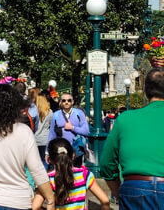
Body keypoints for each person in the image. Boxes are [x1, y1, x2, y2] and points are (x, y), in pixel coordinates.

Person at [98, 67, 164, 209]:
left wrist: (118, 192)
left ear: (146, 91)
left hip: (135, 188)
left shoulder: (125, 119)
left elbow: (106, 164)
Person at [36, 137, 110, 210]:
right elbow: (105, 200)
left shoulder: (48, 180)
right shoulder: (85, 175)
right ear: (73, 155)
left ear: (50, 160)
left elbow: (35, 206)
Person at [49, 92, 89, 167]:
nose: (66, 102)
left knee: (76, 174)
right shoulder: (56, 115)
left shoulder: (79, 113)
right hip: (61, 150)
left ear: (72, 102)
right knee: (62, 173)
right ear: (61, 102)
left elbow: (86, 131)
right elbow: (52, 134)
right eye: (64, 100)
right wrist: (47, 152)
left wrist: (73, 128)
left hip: (76, 150)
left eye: (69, 100)